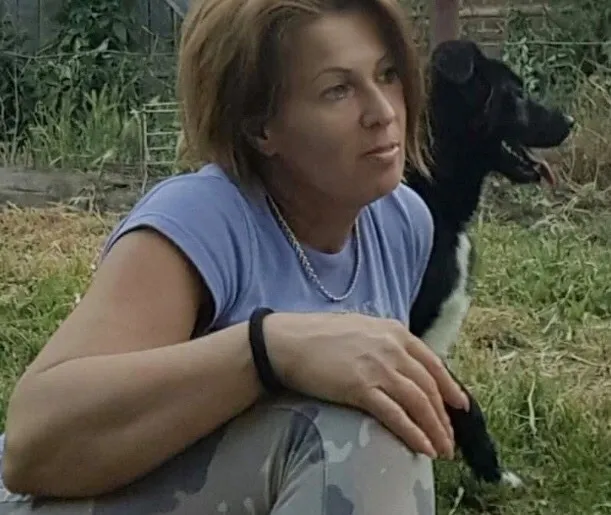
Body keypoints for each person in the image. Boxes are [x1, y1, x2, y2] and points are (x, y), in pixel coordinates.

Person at [0, 0, 470, 513]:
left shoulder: (401, 221)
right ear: (259, 126)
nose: (383, 112)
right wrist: (268, 350)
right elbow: (32, 447)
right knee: (359, 438)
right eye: (338, 90)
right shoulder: (202, 219)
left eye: (387, 74)